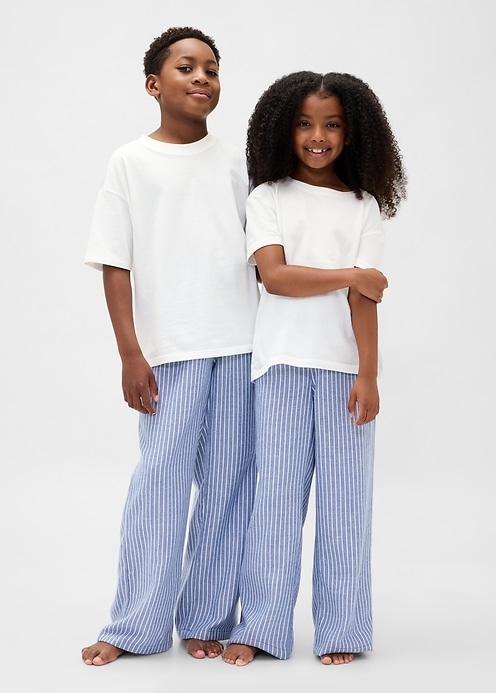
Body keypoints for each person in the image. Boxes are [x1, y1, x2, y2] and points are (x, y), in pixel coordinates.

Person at [80, 26, 262, 666]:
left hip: (242, 346)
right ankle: (135, 624)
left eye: (211, 67)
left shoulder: (239, 162)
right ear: (154, 84)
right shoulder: (130, 162)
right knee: (159, 482)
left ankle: (207, 616)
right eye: (187, 67)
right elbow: (115, 263)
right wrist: (130, 353)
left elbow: (263, 253)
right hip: (170, 351)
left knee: (229, 482)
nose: (202, 77)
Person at [222, 71, 407, 668]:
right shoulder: (268, 198)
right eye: (304, 123)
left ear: (353, 134)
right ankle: (262, 625)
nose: (317, 136)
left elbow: (364, 301)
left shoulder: (363, 208)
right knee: (274, 502)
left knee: (347, 505)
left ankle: (343, 627)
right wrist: (352, 273)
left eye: (331, 125)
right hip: (278, 366)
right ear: (284, 129)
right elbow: (275, 277)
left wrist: (368, 374)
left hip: (344, 372)